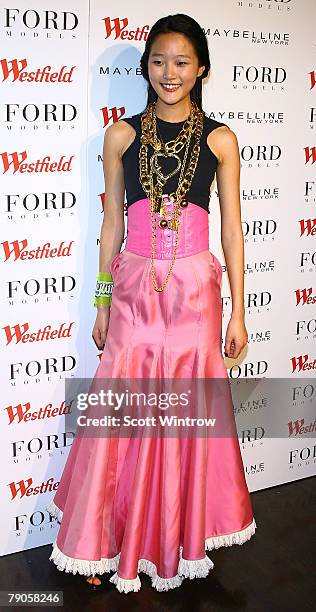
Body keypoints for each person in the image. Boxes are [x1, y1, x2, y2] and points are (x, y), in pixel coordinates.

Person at [46, 13, 257, 594]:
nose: (170, 72)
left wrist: (240, 309)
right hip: (135, 287)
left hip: (194, 292)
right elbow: (110, 224)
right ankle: (102, 542)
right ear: (145, 67)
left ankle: (175, 540)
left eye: (182, 61)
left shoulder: (220, 140)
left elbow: (233, 231)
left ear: (202, 69)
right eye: (159, 60)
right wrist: (101, 302)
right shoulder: (121, 135)